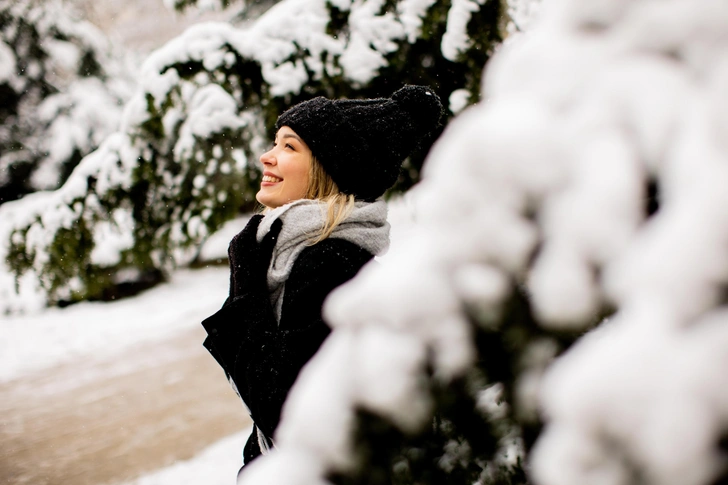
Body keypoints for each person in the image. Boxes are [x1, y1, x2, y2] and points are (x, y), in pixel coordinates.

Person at [201, 84, 443, 471]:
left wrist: (245, 289)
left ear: (328, 169)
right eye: (274, 143)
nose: (267, 157)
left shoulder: (331, 265)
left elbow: (287, 414)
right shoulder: (298, 256)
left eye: (288, 147)